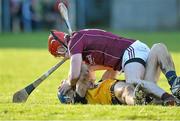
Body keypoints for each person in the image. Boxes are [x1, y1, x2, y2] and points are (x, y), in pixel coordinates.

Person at [48, 29, 180, 100]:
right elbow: (110, 70)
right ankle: (175, 83)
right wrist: (101, 84)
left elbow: (75, 74)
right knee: (146, 88)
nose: (63, 58)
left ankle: (169, 98)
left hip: (130, 51)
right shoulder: (84, 52)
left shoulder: (74, 41)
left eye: (60, 55)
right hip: (136, 53)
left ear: (60, 49)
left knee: (133, 81)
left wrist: (68, 84)